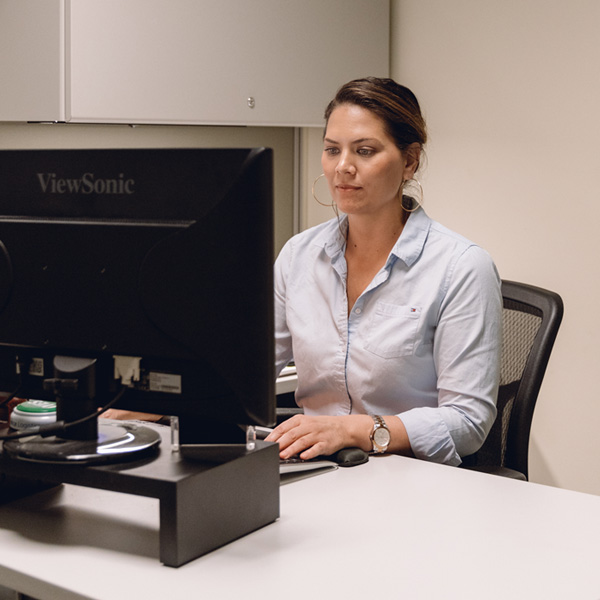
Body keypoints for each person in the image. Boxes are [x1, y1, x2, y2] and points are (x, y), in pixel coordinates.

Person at [265, 77, 502, 466]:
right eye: (331, 150)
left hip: (411, 479)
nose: (342, 167)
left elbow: (468, 422)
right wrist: (145, 406)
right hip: (317, 468)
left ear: (409, 161)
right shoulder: (299, 256)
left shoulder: (462, 266)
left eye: (364, 150)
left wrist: (351, 430)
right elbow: (245, 374)